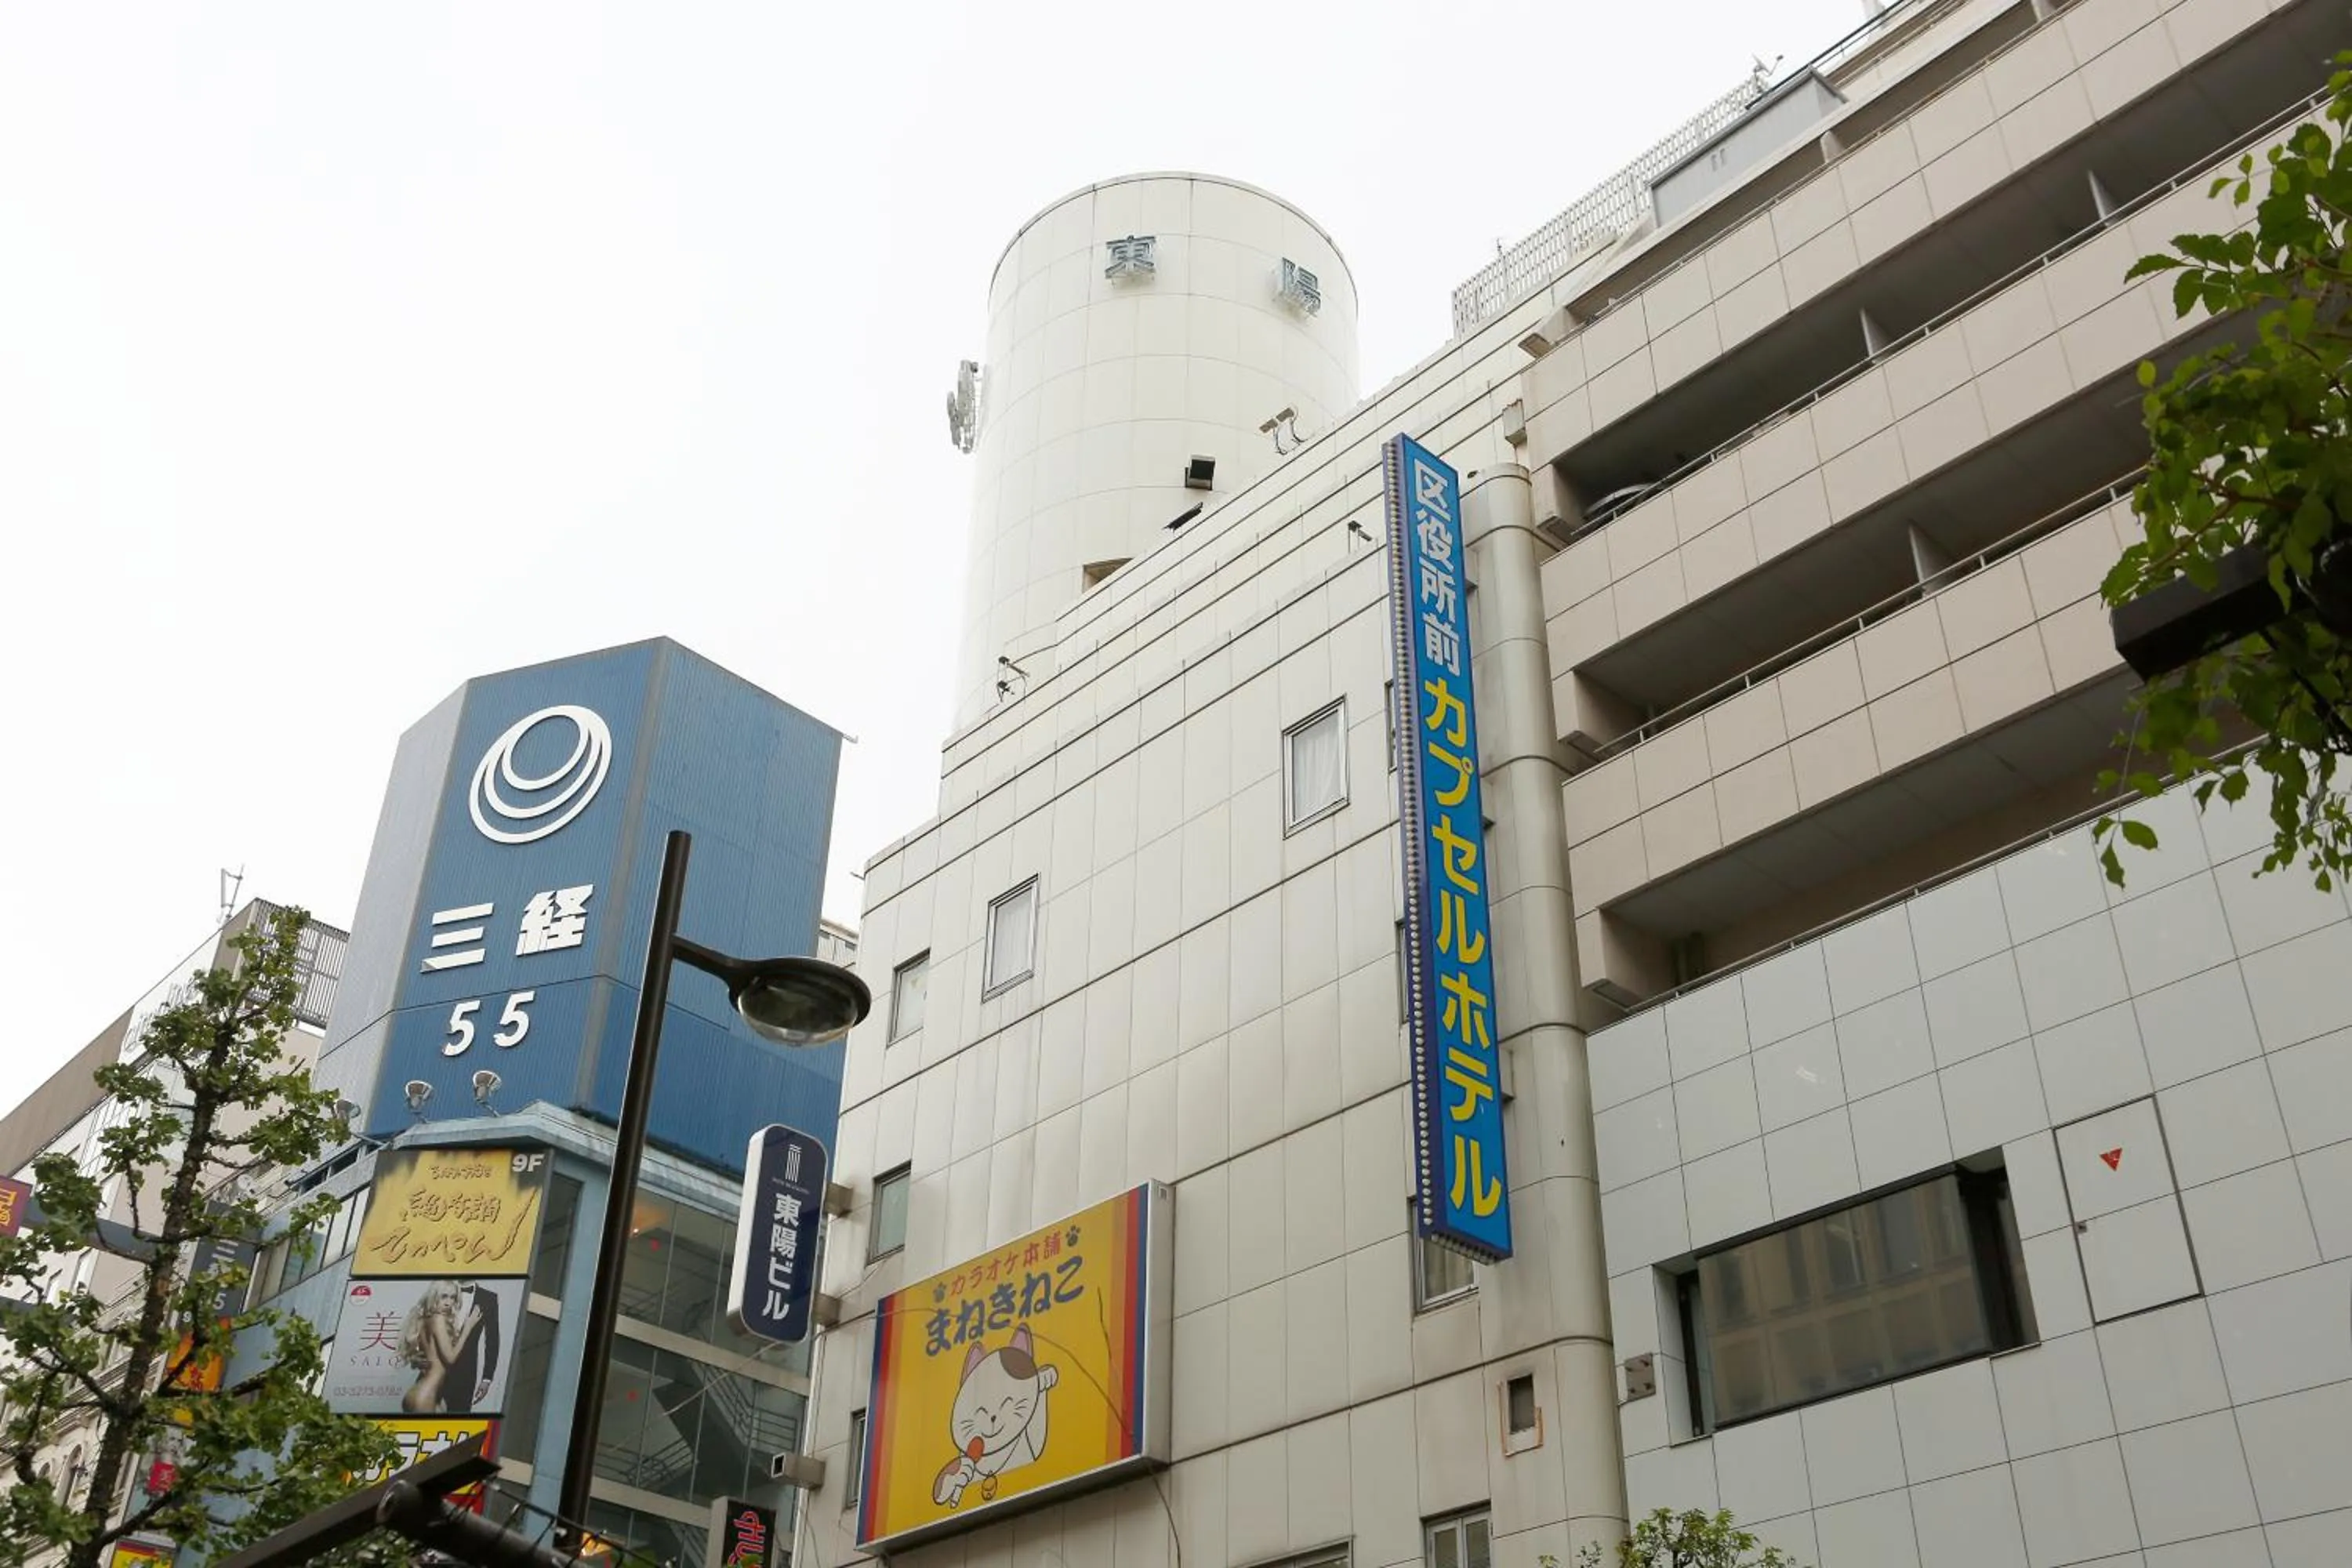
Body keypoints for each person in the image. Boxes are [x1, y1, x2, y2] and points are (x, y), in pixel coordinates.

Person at [398, 1279, 482, 1414]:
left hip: (422, 1392)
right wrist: (468, 1327)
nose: (449, 1303)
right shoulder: (438, 1319)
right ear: (434, 1296)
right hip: (426, 1395)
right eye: (444, 1296)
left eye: (453, 1297)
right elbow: (450, 1358)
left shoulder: (424, 1320)